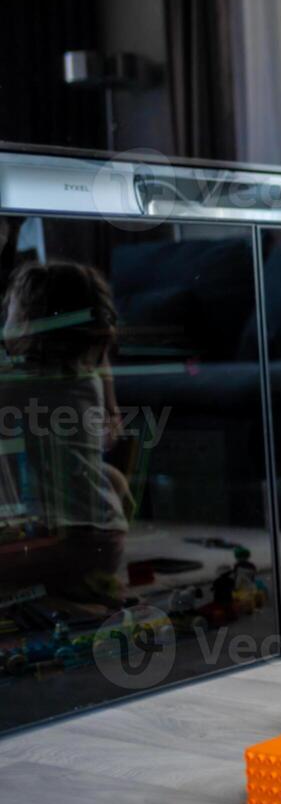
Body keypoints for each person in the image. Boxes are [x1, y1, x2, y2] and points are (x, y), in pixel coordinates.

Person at [0, 262, 131, 620]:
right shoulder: (86, 382)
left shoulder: (9, 382)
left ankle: (41, 602)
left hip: (46, 545)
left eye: (8, 311)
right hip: (103, 543)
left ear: (26, 322)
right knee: (111, 478)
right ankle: (81, 584)